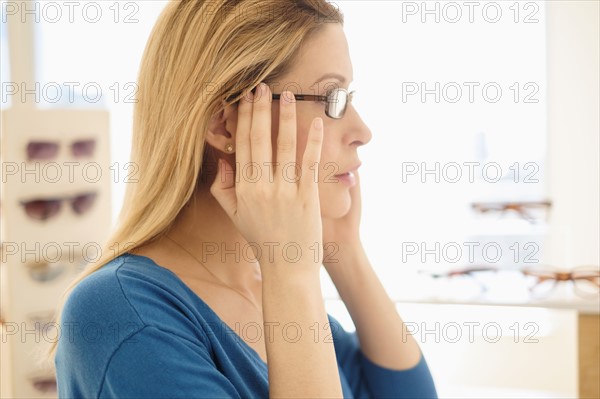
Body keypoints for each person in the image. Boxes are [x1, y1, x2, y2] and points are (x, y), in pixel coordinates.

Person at [52, 1, 438, 397]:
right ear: (225, 125)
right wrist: (291, 270)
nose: (363, 130)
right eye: (331, 98)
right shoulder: (122, 315)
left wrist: (343, 249)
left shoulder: (271, 291)